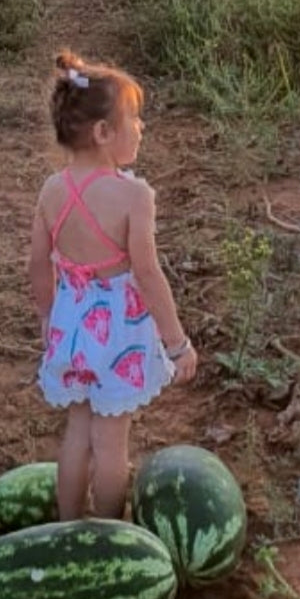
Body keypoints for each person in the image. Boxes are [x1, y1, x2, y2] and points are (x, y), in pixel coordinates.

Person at [29, 49, 198, 521]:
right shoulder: (133, 196)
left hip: (71, 320)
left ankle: (67, 527)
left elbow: (38, 264)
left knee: (77, 432)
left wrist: (48, 317)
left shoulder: (52, 190)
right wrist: (176, 342)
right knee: (111, 442)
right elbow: (146, 273)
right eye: (134, 119)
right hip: (118, 332)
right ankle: (105, 533)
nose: (141, 128)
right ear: (104, 134)